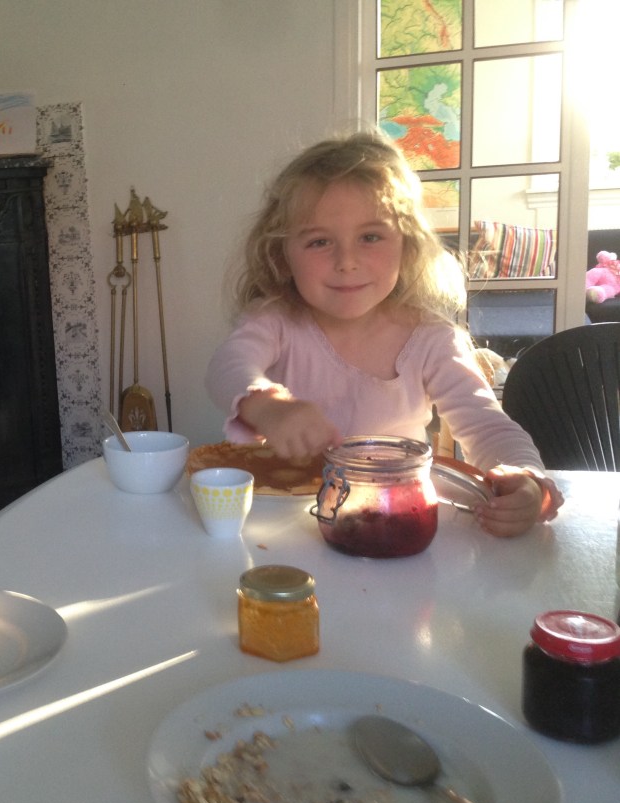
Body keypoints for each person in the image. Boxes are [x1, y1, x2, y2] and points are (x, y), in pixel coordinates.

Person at [205, 130, 562, 538]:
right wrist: (269, 406)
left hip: (392, 525)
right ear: (281, 255)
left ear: (407, 245)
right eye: (319, 241)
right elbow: (227, 367)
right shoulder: (276, 321)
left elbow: (486, 425)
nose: (347, 261)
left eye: (370, 237)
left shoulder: (430, 339)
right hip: (282, 531)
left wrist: (526, 479)